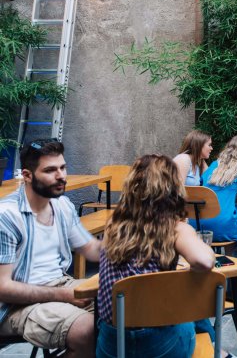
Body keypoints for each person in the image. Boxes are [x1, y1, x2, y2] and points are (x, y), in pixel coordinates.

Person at [95, 154, 219, 357]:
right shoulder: (174, 228)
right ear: (172, 188)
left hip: (112, 344)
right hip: (159, 345)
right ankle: (217, 351)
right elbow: (205, 260)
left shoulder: (113, 225)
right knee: (189, 311)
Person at [0, 139, 101, 356]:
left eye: (63, 167)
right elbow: (3, 288)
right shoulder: (7, 216)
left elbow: (91, 249)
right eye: (50, 170)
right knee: (88, 330)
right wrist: (64, 295)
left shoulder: (61, 204)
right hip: (14, 306)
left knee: (127, 306)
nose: (61, 176)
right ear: (27, 175)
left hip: (61, 284)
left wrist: (136, 247)